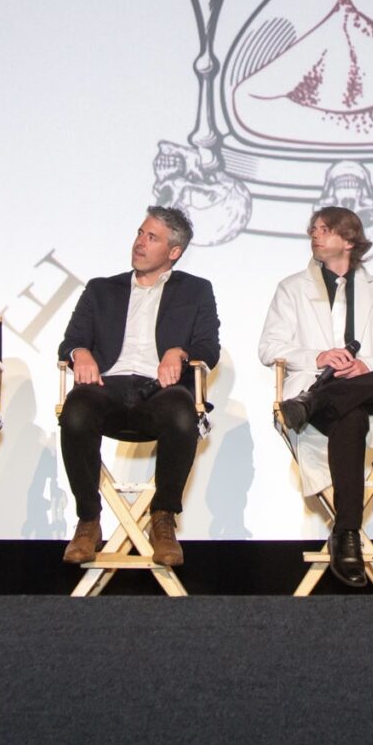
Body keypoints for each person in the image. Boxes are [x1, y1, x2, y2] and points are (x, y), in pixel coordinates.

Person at [257, 206, 373, 588]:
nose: (314, 235)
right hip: (319, 385)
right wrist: (317, 357)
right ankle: (346, 534)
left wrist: (366, 365)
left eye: (324, 229)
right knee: (351, 415)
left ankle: (316, 401)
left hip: (343, 393)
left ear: (348, 240)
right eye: (313, 229)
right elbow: (269, 348)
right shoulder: (291, 287)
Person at [57, 206, 221, 569]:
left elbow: (209, 347)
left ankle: (163, 519)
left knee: (182, 412)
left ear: (173, 252)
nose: (140, 243)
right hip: (106, 385)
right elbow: (71, 340)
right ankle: (88, 520)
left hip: (160, 389)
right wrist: (80, 353)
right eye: (140, 233)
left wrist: (180, 352)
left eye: (152, 238)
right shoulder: (101, 289)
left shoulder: (195, 290)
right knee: (76, 409)